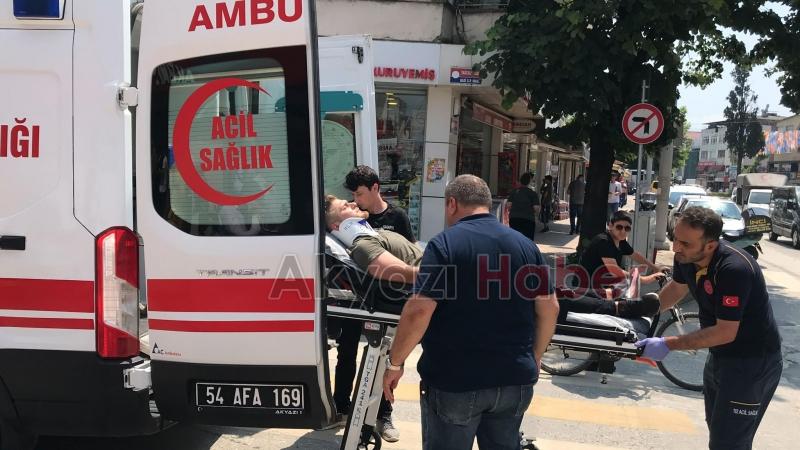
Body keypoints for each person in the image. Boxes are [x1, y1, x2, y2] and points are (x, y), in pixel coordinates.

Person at [383, 175, 560, 450]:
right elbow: (550, 308)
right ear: (488, 205)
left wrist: (395, 363)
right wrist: (535, 356)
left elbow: (419, 310)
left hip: (455, 380)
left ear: (452, 203)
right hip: (514, 379)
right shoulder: (526, 246)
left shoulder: (444, 245)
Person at [636, 207, 782, 450]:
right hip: (720, 357)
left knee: (728, 444)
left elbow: (725, 332)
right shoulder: (686, 257)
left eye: (685, 243)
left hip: (752, 364)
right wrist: (641, 316)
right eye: (675, 239)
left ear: (711, 245)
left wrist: (667, 344)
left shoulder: (734, 269)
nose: (676, 248)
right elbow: (676, 289)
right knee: (720, 434)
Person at [324, 195, 419, 441]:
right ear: (337, 227)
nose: (354, 203)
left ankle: (376, 416)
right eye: (346, 205)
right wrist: (446, 272)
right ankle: (351, 410)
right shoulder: (363, 244)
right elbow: (393, 271)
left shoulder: (371, 233)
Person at [580, 211, 665, 299]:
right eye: (619, 227)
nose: (623, 231)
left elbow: (635, 255)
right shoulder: (603, 242)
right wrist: (646, 280)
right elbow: (615, 270)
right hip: (588, 288)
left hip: (604, 283)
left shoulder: (620, 240)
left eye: (627, 228)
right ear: (610, 226)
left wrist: (656, 268)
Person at [345, 165, 415, 243]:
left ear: (375, 188)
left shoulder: (398, 215)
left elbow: (412, 249)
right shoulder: (353, 213)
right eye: (353, 195)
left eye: (359, 194)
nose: (356, 200)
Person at [506, 172, 540, 241]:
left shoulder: (514, 192)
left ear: (520, 181)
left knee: (514, 239)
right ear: (529, 182)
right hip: (528, 219)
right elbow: (536, 208)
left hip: (514, 218)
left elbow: (508, 205)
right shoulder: (533, 194)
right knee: (528, 240)